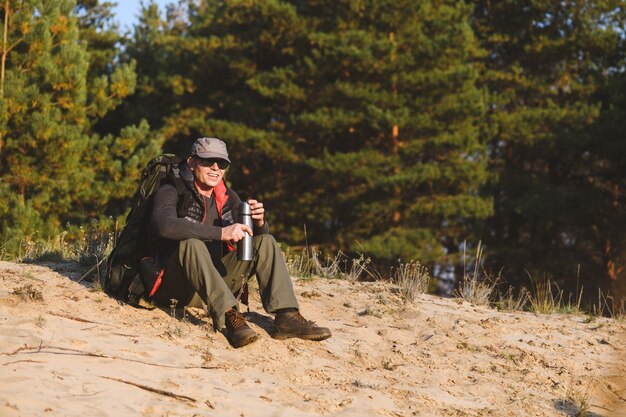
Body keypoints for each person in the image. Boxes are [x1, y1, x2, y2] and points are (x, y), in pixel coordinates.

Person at [148, 137, 331, 348]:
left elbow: (255, 239)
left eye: (222, 163)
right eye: (208, 161)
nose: (215, 168)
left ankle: (287, 317)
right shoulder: (171, 188)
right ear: (191, 162)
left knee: (266, 241)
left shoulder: (227, 197)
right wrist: (220, 232)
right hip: (174, 289)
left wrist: (260, 224)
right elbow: (165, 226)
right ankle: (230, 318)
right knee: (192, 244)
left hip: (212, 289)